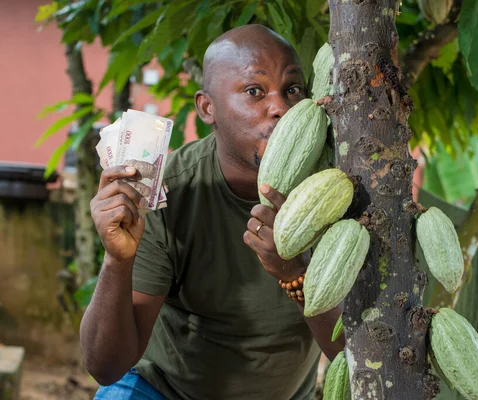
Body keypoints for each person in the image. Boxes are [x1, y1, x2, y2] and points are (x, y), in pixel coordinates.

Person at [81, 24, 344, 400]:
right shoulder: (169, 190)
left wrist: (296, 275)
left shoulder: (333, 189)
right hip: (163, 391)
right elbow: (105, 366)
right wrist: (117, 261)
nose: (280, 108)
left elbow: (352, 352)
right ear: (208, 108)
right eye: (254, 91)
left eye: (292, 90)